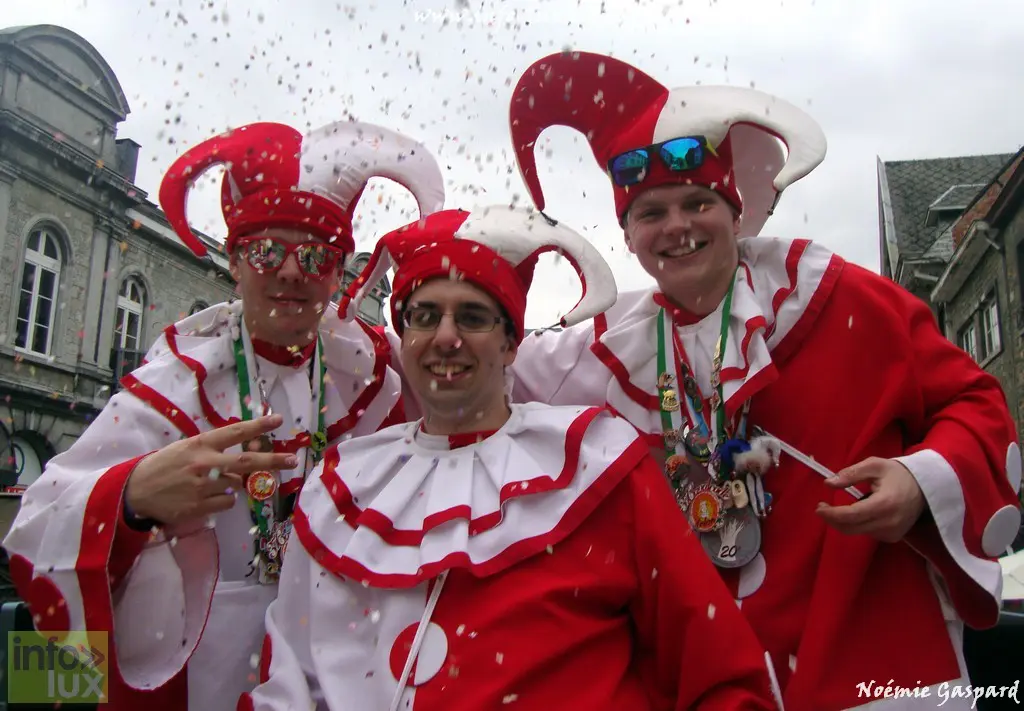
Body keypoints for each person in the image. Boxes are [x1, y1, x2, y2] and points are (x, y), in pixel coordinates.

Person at [500, 51, 1023, 710]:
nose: (677, 227)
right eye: (651, 212)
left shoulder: (838, 297)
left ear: (734, 209)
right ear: (628, 235)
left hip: (870, 665)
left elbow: (977, 402)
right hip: (707, 682)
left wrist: (921, 480)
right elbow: (470, 380)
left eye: (697, 202)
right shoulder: (602, 352)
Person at [239, 205, 780, 711]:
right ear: (403, 339)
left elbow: (719, 674)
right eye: (424, 316)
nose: (445, 337)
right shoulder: (339, 488)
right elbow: (287, 681)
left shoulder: (600, 464)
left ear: (511, 344)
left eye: (472, 317)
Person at [2, 119, 446, 710]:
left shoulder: (376, 382)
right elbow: (34, 534)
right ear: (234, 263)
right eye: (266, 251)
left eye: (315, 255)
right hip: (193, 678)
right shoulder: (171, 386)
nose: (290, 272)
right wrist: (132, 498)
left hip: (335, 674)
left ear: (337, 274)